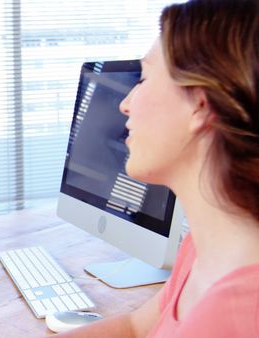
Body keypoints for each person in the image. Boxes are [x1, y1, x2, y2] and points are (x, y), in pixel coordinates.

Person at [59, 0, 259, 336]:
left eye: (145, 77)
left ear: (199, 104)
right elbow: (135, 327)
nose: (125, 103)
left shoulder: (235, 316)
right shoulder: (203, 248)